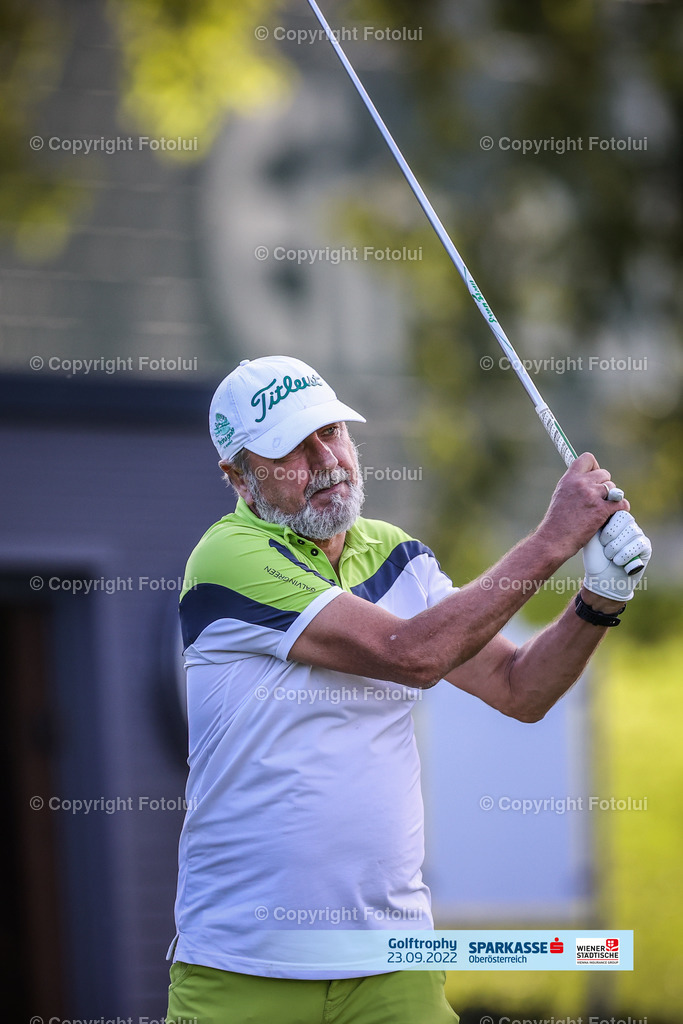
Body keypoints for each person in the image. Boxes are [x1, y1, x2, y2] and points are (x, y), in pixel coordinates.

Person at [166, 354, 651, 1024]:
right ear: (239, 478)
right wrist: (552, 539)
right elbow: (411, 653)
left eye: (330, 432)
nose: (326, 460)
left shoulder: (399, 556)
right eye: (290, 451)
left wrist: (601, 594)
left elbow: (519, 689)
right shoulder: (227, 559)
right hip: (247, 965)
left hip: (394, 961)